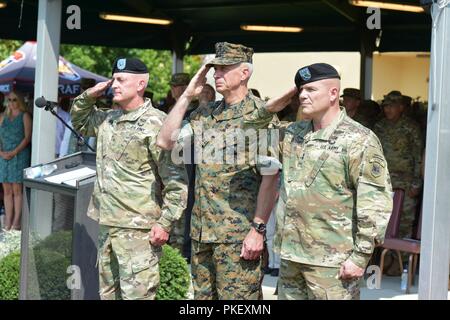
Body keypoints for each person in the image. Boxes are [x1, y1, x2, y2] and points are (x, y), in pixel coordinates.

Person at [244, 63, 393, 300]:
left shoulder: (358, 139)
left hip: (333, 261)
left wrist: (360, 257)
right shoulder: (294, 133)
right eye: (300, 90)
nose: (303, 95)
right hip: (292, 255)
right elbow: (247, 129)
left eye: (311, 90)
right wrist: (284, 96)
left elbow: (375, 202)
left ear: (334, 93)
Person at [157, 42, 279, 300]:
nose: (216, 74)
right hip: (202, 234)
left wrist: (257, 231)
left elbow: (271, 180)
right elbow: (165, 141)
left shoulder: (260, 117)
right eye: (215, 69)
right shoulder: (205, 114)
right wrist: (188, 94)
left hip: (237, 237)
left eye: (224, 68)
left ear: (244, 73)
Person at [70, 57, 187, 300]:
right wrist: (91, 94)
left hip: (139, 231)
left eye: (121, 80)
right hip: (107, 226)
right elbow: (79, 121)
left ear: (141, 84)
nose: (115, 85)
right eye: (113, 80)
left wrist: (165, 223)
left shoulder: (158, 123)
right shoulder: (108, 119)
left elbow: (176, 181)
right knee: (107, 295)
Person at [373, 91, 423, 239]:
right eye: (386, 106)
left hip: (405, 183)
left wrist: (416, 183)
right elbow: (373, 155)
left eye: (392, 106)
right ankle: (384, 256)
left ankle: (404, 259)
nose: (388, 109)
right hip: (384, 181)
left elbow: (418, 156)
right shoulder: (379, 126)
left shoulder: (411, 127)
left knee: (405, 221)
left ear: (401, 107)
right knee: (382, 220)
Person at [0, 91, 32, 231]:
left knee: (17, 190)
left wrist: (14, 152)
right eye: (9, 99)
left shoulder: (24, 116)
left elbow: (27, 138)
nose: (11, 102)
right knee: (7, 191)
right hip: (4, 157)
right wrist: (1, 153)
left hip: (19, 155)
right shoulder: (2, 117)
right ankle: (8, 222)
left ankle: (16, 222)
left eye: (14, 99)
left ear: (19, 101)